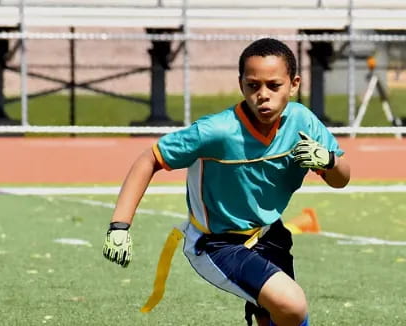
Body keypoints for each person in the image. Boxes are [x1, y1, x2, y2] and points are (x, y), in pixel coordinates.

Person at [102, 38, 350, 326]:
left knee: (278, 317)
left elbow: (341, 179)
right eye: (253, 85)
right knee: (291, 305)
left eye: (274, 85)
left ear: (294, 84)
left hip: (269, 234)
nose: (263, 95)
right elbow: (150, 159)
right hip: (216, 244)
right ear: (241, 84)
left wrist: (329, 160)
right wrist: (119, 225)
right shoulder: (216, 131)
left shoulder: (303, 122)